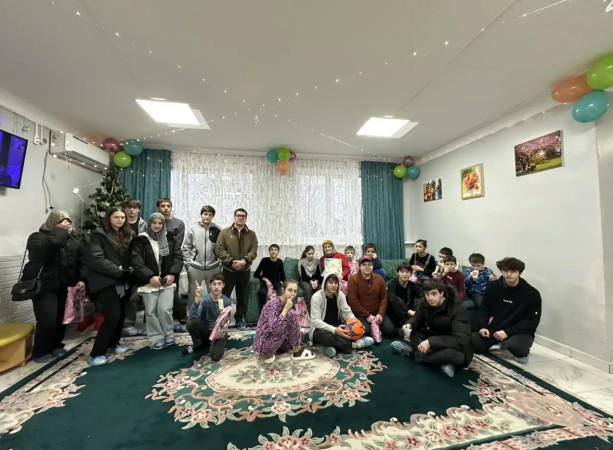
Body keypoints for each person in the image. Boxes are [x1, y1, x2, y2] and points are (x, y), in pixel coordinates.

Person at [21, 211, 86, 363]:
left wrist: (82, 279)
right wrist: (59, 232)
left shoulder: (73, 239)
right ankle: (40, 352)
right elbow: (41, 253)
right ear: (53, 222)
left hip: (65, 285)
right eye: (62, 221)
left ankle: (56, 346)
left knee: (61, 319)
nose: (67, 224)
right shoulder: (38, 237)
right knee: (47, 320)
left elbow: (81, 260)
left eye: (68, 221)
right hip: (44, 286)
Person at [391, 279, 472, 378]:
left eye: (434, 294)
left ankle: (411, 353)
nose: (430, 298)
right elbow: (417, 318)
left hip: (453, 344)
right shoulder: (424, 303)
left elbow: (461, 339)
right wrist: (410, 324)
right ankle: (440, 361)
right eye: (427, 294)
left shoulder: (457, 308)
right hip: (433, 335)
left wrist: (431, 342)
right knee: (404, 332)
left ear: (441, 293)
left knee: (456, 356)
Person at [86, 207, 133, 367]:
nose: (120, 220)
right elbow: (96, 259)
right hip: (106, 281)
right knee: (112, 316)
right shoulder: (98, 235)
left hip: (123, 280)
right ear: (109, 218)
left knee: (120, 315)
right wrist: (118, 270)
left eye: (122, 217)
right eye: (116, 217)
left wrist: (129, 269)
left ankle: (113, 344)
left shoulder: (127, 234)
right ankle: (96, 353)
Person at [471, 257, 542, 364]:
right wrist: (483, 326)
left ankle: (518, 349)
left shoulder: (532, 293)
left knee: (516, 346)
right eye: (505, 270)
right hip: (496, 328)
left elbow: (532, 322)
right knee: (474, 344)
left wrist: (507, 332)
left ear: (520, 272)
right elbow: (484, 308)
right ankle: (500, 341)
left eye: (513, 271)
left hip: (520, 331)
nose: (509, 274)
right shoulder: (493, 286)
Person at [130, 213, 184, 350]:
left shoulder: (170, 238)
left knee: (165, 309)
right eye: (154, 223)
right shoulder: (140, 240)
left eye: (160, 223)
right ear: (149, 224)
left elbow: (178, 257)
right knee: (151, 311)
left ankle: (168, 334)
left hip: (167, 281)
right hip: (149, 282)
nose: (157, 226)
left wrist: (172, 274)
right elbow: (137, 262)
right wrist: (150, 276)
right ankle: (156, 337)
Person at [309, 273, 375, 357]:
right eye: (330, 282)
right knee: (324, 336)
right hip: (321, 328)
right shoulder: (316, 297)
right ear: (325, 284)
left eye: (336, 283)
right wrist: (334, 330)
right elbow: (316, 321)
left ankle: (329, 347)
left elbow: (347, 312)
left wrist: (356, 324)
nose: (333, 285)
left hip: (338, 325)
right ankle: (355, 345)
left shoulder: (340, 295)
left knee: (364, 328)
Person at [252, 279, 315, 363]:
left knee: (300, 335)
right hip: (265, 346)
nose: (292, 294)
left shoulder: (286, 302)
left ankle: (292, 348)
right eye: (290, 290)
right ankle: (297, 351)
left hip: (277, 340)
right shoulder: (273, 304)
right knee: (292, 314)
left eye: (295, 291)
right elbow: (275, 329)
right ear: (283, 290)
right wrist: (285, 309)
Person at [216, 208, 258, 330]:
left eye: (243, 216)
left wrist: (243, 261)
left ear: (246, 218)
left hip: (244, 271)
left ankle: (239, 319)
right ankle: (224, 318)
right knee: (224, 296)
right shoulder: (224, 232)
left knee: (242, 296)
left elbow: (254, 251)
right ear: (234, 217)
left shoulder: (251, 234)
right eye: (238, 215)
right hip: (228, 271)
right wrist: (231, 262)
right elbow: (220, 249)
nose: (240, 218)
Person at [182, 205, 222, 316]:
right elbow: (186, 247)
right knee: (194, 294)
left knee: (215, 293)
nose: (207, 216)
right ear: (201, 215)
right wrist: (188, 265)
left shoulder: (218, 230)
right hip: (195, 268)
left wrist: (220, 264)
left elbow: (222, 249)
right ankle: (191, 316)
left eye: (210, 215)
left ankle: (215, 317)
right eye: (205, 214)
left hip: (214, 267)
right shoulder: (193, 229)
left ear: (213, 216)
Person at [181, 273, 232, 359]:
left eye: (219, 284)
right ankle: (198, 344)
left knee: (215, 356)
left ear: (223, 285)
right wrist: (197, 299)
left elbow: (226, 324)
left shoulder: (226, 301)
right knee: (191, 323)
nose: (216, 287)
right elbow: (193, 317)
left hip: (219, 332)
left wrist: (223, 317)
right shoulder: (204, 300)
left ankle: (208, 344)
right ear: (210, 286)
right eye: (214, 284)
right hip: (206, 330)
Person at [347, 255, 395, 342]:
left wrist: (381, 314)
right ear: (359, 267)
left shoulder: (379, 279)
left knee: (390, 331)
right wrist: (367, 315)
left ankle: (376, 327)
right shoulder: (353, 279)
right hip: (361, 314)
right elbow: (353, 301)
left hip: (377, 313)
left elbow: (384, 298)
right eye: (364, 265)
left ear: (373, 266)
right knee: (366, 331)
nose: (367, 267)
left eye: (369, 264)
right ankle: (373, 330)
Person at [157, 197, 186, 330]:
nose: (166, 208)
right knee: (155, 294)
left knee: (172, 294)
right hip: (156, 262)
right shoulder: (154, 222)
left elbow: (177, 245)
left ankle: (175, 320)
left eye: (168, 206)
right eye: (163, 206)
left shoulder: (178, 223)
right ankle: (156, 322)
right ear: (158, 208)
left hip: (172, 261)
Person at [121, 198, 146, 337]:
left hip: (141, 265)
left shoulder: (144, 225)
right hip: (124, 265)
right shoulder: (120, 223)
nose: (131, 210)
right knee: (127, 296)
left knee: (138, 296)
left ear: (138, 209)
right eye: (129, 207)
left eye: (134, 208)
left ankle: (145, 324)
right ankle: (127, 324)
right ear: (124, 209)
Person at [386, 263, 424, 332]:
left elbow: (422, 297)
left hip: (409, 313)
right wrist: (409, 311)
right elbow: (392, 300)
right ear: (398, 273)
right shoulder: (392, 284)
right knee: (397, 300)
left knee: (419, 301)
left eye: (407, 272)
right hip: (395, 313)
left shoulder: (413, 285)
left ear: (411, 274)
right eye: (402, 272)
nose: (404, 274)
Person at [254, 244, 286, 309]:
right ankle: (263, 310)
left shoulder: (280, 262)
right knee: (262, 293)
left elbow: (283, 276)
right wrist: (265, 279)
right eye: (272, 250)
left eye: (275, 250)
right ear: (269, 251)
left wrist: (285, 284)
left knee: (282, 293)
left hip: (277, 282)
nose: (273, 251)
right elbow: (256, 274)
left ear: (278, 252)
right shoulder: (264, 260)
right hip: (266, 283)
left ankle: (280, 310)